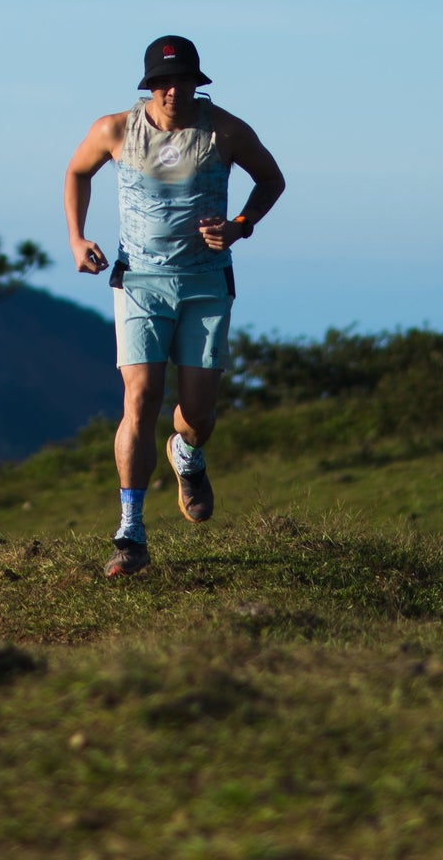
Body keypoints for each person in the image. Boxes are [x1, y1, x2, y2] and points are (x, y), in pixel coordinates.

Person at [64, 36, 285, 577]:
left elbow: (271, 180)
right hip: (138, 281)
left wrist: (238, 227)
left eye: (182, 80)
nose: (172, 91)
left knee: (198, 416)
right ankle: (130, 532)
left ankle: (186, 454)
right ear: (148, 87)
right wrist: (76, 239)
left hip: (206, 285)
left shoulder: (225, 130)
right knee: (139, 398)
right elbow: (76, 173)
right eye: (163, 82)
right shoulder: (114, 129)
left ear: (196, 83)